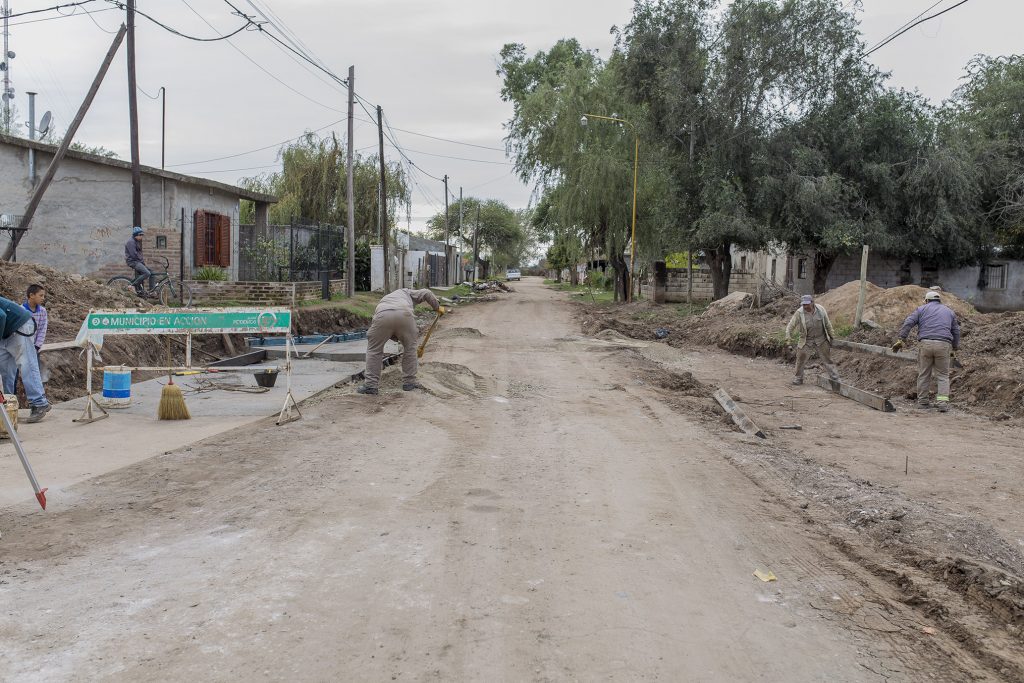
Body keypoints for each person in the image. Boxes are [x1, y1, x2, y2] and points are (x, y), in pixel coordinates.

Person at [357, 288, 446, 395]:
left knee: (374, 350)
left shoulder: (385, 299)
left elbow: (383, 326)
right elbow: (426, 293)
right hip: (405, 315)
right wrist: (437, 307)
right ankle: (409, 383)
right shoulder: (407, 292)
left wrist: (391, 335)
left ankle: (371, 386)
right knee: (410, 349)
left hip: (383, 315)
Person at [893, 290, 960, 412]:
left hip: (925, 344)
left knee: (924, 373)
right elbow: (956, 331)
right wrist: (955, 347)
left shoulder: (921, 309)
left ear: (927, 300)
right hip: (943, 345)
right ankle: (942, 403)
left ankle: (923, 402)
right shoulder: (949, 312)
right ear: (939, 300)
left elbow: (908, 322)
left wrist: (901, 338)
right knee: (943, 375)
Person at [0, 295, 51, 423]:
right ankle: (8, 405)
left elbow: (1, 316)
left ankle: (39, 403)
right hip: (6, 331)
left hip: (19, 326)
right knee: (5, 370)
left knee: (27, 365)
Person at [785, 294, 840, 385]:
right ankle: (798, 378)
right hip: (806, 340)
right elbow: (790, 327)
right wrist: (788, 340)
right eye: (803, 305)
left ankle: (835, 378)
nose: (805, 306)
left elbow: (827, 324)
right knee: (800, 359)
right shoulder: (799, 313)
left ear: (812, 302)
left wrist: (832, 337)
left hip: (821, 339)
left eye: (807, 304)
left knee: (827, 360)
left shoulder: (821, 310)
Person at [22, 284, 48, 385]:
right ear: (32, 295)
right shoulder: (21, 310)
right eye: (41, 295)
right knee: (16, 371)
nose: (43, 298)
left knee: (35, 371)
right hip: (21, 347)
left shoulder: (42, 311)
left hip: (34, 348)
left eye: (43, 296)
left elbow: (42, 329)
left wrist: (37, 346)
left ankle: (37, 392)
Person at [124, 226, 155, 295]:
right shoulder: (131, 242)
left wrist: (142, 263)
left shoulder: (136, 241)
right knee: (147, 273)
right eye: (140, 235)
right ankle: (132, 285)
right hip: (133, 262)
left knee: (152, 272)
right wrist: (141, 262)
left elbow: (139, 254)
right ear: (136, 235)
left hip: (137, 261)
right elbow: (134, 255)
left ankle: (152, 291)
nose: (141, 236)